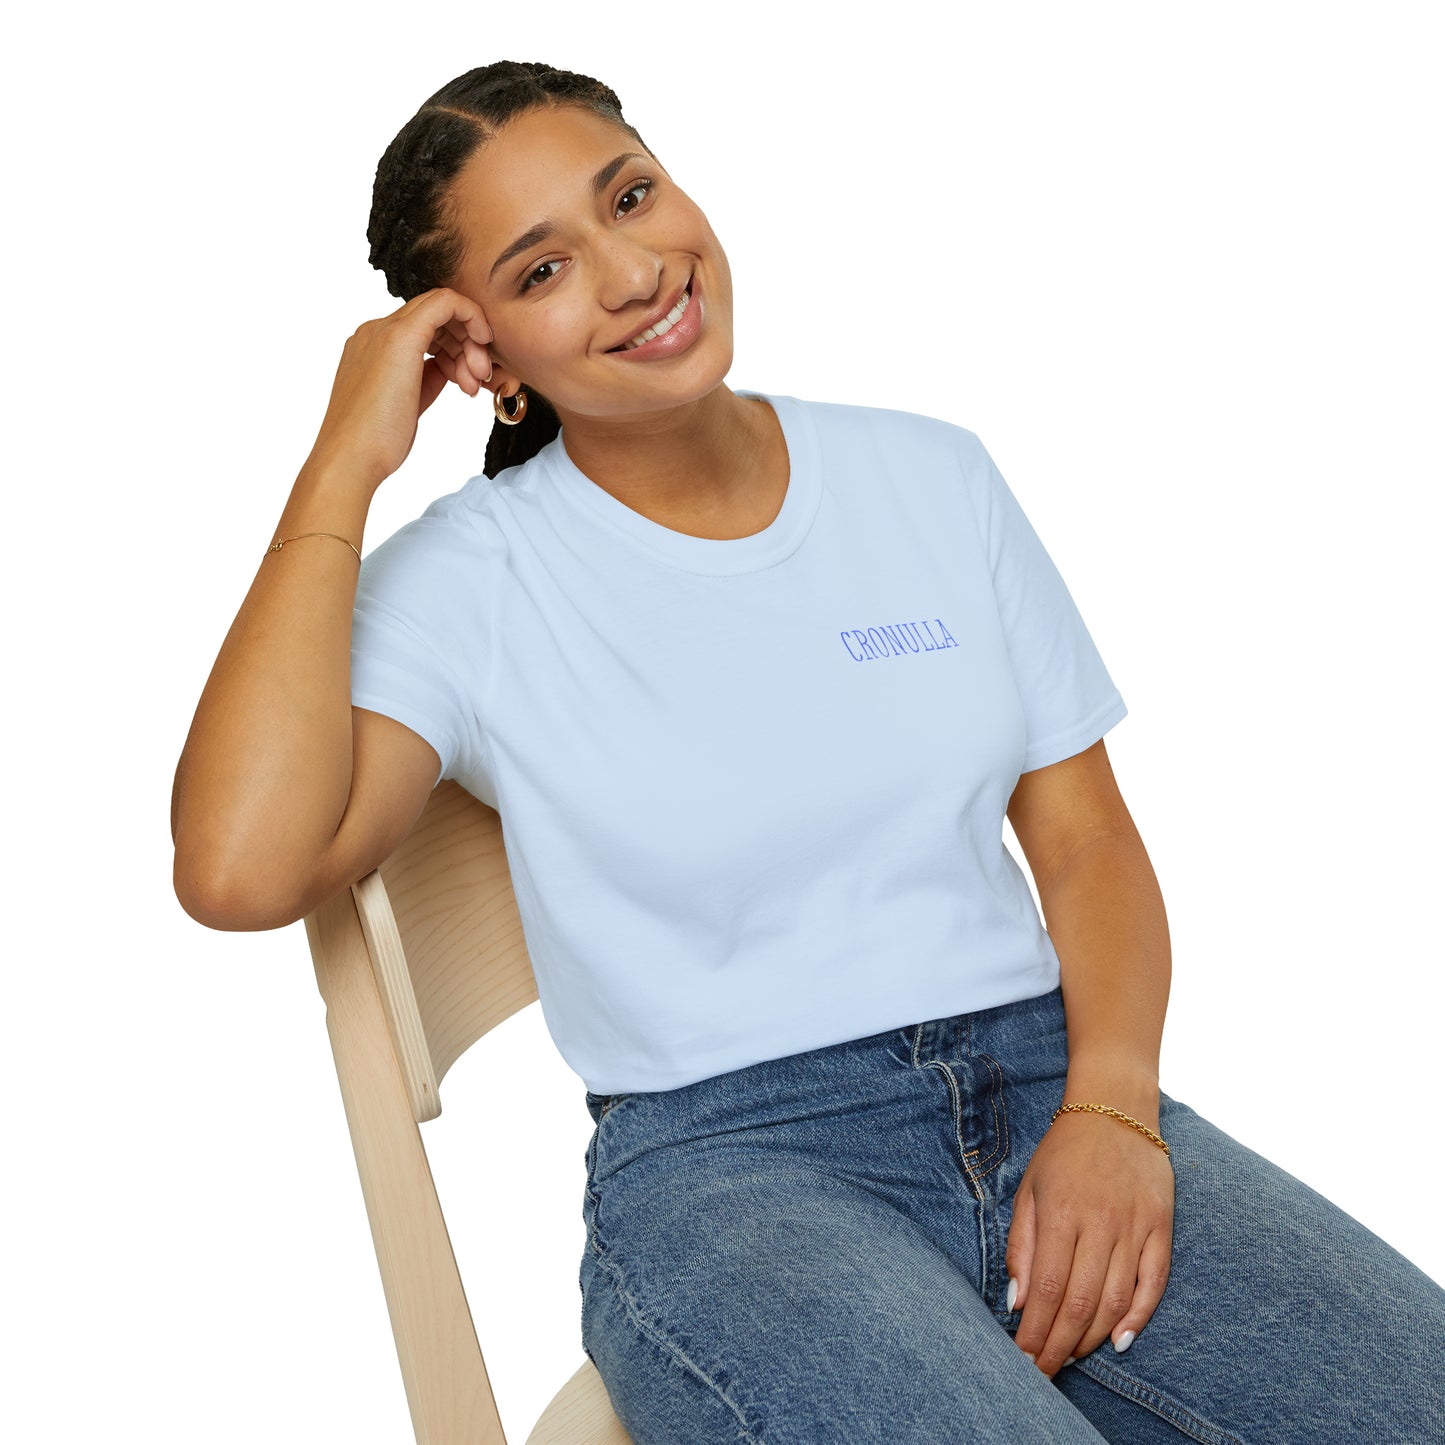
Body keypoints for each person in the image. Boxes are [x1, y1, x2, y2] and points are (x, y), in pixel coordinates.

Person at [171, 60, 1445, 1444]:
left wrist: (1113, 1109)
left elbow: (1084, 845)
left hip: (1049, 1084)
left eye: (632, 196)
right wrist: (340, 462)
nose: (633, 270)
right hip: (732, 1172)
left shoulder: (930, 476)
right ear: (482, 358)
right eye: (542, 271)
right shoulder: (471, 580)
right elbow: (240, 867)